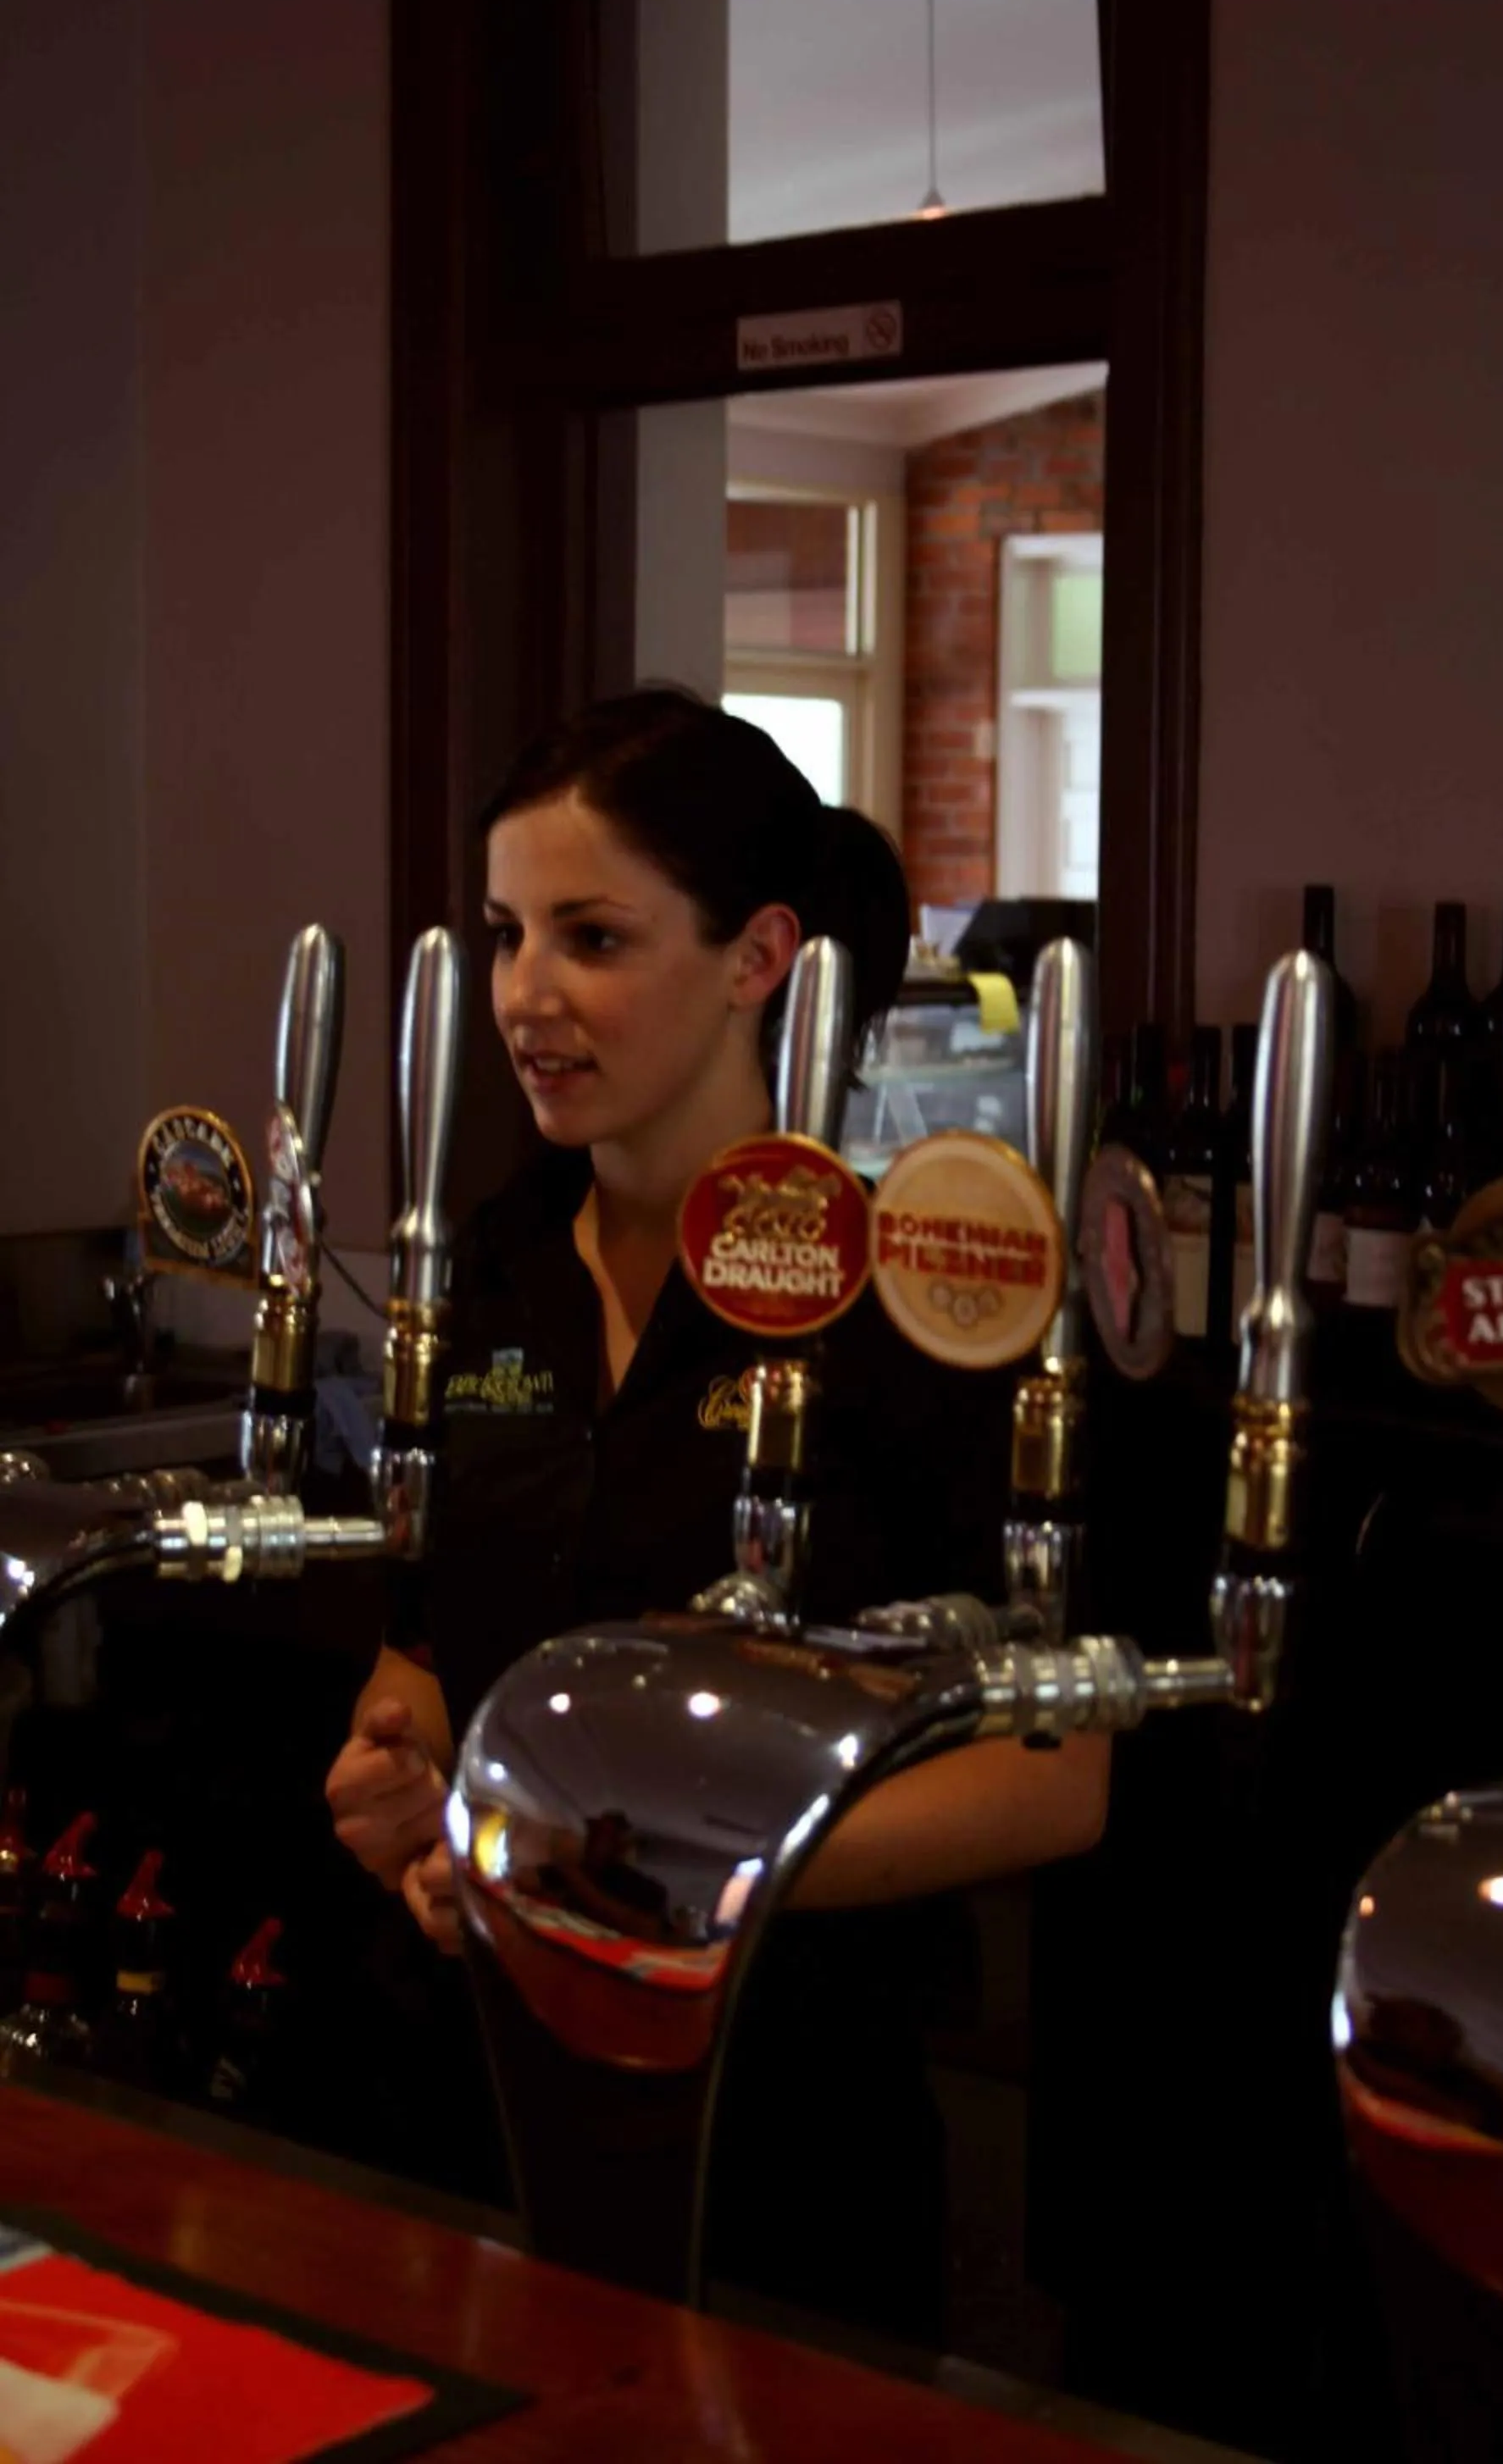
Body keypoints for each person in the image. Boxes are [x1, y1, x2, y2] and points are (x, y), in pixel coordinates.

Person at [324, 689, 1108, 2337]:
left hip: (777, 2123)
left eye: (593, 938)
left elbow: (1056, 1779)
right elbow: (425, 1650)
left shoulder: (914, 1300)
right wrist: (405, 1784)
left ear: (758, 958)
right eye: (506, 935)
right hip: (461, 2091)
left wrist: (663, 1875)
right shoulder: (489, 1269)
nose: (526, 997)